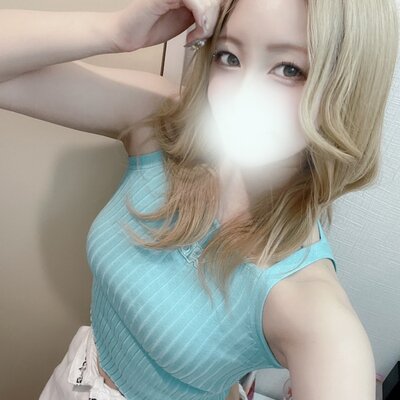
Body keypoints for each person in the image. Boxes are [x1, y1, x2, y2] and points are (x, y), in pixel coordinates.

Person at [0, 0, 398, 399]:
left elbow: (340, 362)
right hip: (72, 377)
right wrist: (116, 33)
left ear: (347, 86)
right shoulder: (164, 126)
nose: (241, 97)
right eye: (229, 56)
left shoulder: (309, 304)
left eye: (289, 69)